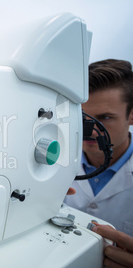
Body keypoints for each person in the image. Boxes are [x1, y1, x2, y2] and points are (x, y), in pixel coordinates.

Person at [64, 59, 133, 267]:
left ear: (131, 116)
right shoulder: (55, 162)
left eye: (104, 117)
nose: (90, 130)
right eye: (82, 117)